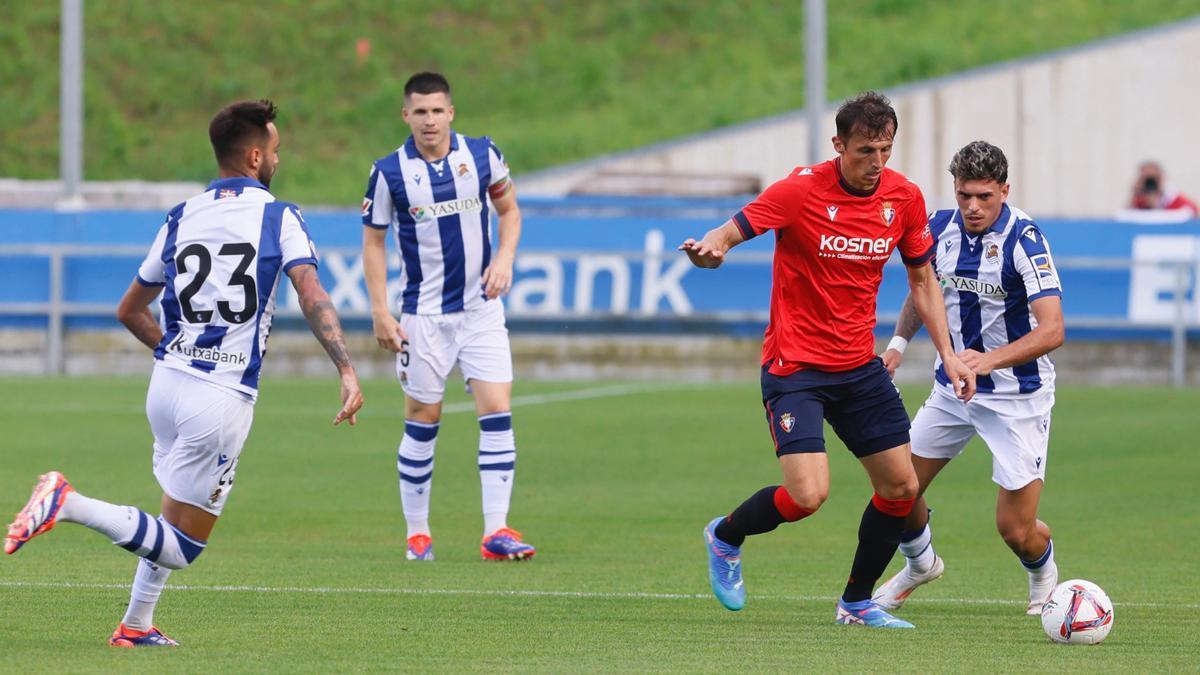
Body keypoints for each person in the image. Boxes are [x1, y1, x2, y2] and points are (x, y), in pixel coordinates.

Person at [4, 99, 364, 647]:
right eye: (275, 150)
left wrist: (173, 353)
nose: (277, 160)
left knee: (174, 512)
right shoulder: (278, 215)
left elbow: (130, 309)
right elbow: (310, 291)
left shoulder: (182, 215)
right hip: (220, 398)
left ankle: (136, 625)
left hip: (166, 387)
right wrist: (346, 368)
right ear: (253, 156)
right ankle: (66, 501)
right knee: (182, 544)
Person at [681, 91, 976, 628]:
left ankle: (857, 603)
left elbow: (922, 280)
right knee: (808, 495)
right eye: (866, 150)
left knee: (901, 486)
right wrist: (711, 251)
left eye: (886, 149)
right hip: (795, 369)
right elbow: (729, 232)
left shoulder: (903, 198)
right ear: (839, 145)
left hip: (858, 368)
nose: (877, 163)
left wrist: (949, 356)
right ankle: (725, 536)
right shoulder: (799, 192)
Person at [872, 141, 1064, 615]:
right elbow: (924, 292)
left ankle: (1042, 572)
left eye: (984, 196)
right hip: (952, 390)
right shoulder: (938, 228)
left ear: (1004, 190)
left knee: (1015, 530)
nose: (973, 207)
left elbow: (1053, 328)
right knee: (896, 488)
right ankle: (920, 563)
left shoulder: (1025, 239)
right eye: (964, 196)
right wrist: (897, 346)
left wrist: (987, 360)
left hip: (1018, 398)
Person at [362, 72, 533, 562]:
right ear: (406, 116)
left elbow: (510, 211)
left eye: (438, 110)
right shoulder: (389, 171)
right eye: (420, 112)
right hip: (423, 316)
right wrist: (380, 310)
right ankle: (418, 534)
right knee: (423, 418)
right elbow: (373, 242)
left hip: (481, 308)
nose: (430, 120)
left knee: (497, 409)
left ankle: (495, 532)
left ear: (451, 112)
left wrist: (504, 260)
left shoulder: (482, 154)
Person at [1128, 161, 1198, 216]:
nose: (1150, 183)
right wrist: (1134, 194)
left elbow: (1192, 214)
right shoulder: (1140, 201)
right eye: (1146, 179)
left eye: (1153, 178)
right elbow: (1126, 218)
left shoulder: (1178, 201)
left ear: (1162, 177)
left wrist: (1156, 207)